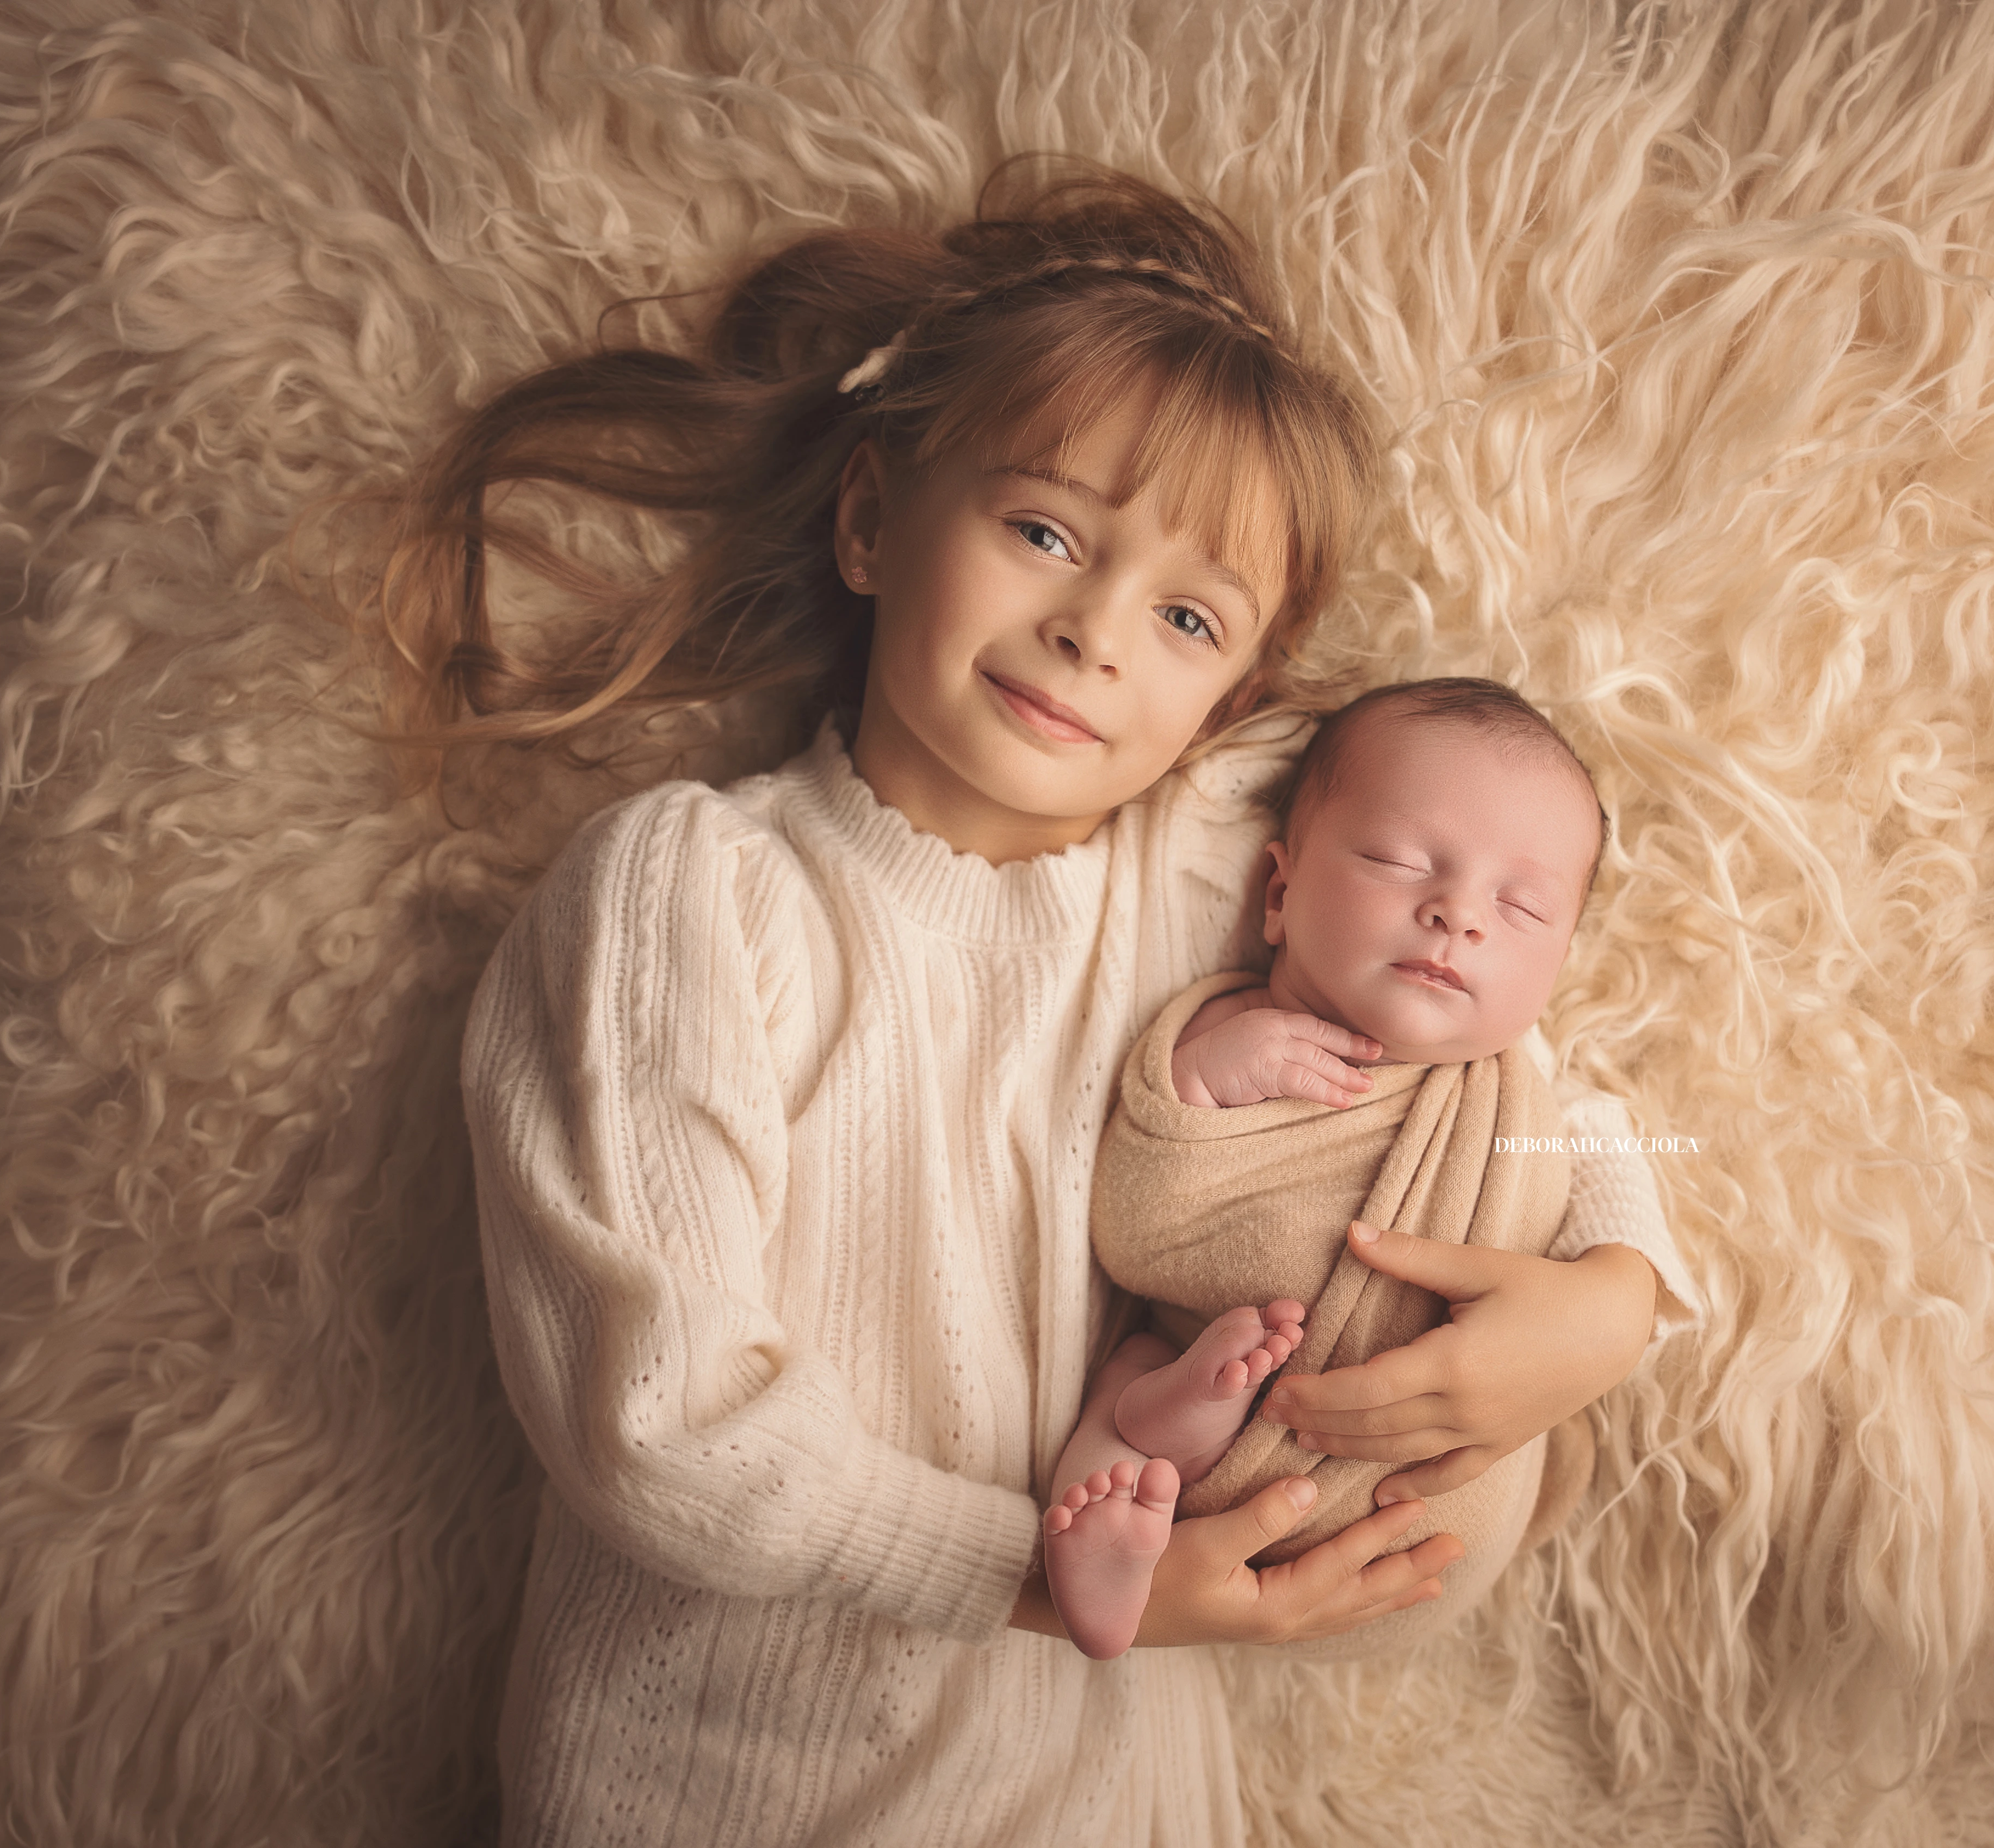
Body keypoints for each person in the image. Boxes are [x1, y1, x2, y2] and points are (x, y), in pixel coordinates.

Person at [398, 163, 1659, 1848]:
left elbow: (1511, 1046)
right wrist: (1060, 1581)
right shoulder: (694, 892)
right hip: (729, 1784)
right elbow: (660, 1424)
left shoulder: (1218, 878)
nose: (1088, 634)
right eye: (1044, 530)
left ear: (1240, 692)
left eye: (1186, 615)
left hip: (1116, 1801)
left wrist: (1619, 1295)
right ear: (868, 519)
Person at [1042, 679, 1701, 1660]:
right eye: (1399, 862)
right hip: (1212, 1493)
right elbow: (1136, 1227)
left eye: (1520, 907)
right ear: (1278, 893)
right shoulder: (1228, 1034)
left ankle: (1165, 1427)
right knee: (1138, 1368)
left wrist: (1614, 1302)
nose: (1457, 915)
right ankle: (1125, 1492)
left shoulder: (1529, 1100)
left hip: (1430, 1518)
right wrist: (1204, 1083)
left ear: (1557, 966)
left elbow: (1616, 1183)